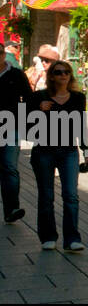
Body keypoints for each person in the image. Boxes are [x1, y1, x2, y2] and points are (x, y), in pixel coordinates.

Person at [30, 60, 88, 251]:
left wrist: (87, 152)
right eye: (58, 72)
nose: (63, 75)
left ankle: (72, 238)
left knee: (71, 195)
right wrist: (38, 111)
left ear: (70, 76)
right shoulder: (39, 97)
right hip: (43, 151)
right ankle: (48, 237)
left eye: (66, 72)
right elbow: (27, 126)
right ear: (51, 76)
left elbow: (81, 126)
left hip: (68, 152)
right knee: (46, 196)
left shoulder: (78, 98)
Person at [0, 51, 33, 224]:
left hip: (10, 127)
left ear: (3, 54)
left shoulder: (16, 74)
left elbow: (28, 98)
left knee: (9, 167)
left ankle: (12, 209)